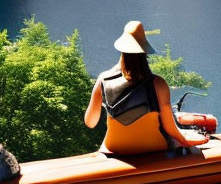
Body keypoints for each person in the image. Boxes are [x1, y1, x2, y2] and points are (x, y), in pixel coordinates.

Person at [84, 20, 209, 155]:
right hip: (154, 147)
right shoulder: (158, 83)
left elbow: (90, 122)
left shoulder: (103, 80)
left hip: (115, 149)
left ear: (121, 50)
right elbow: (169, 128)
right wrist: (186, 140)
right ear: (145, 52)